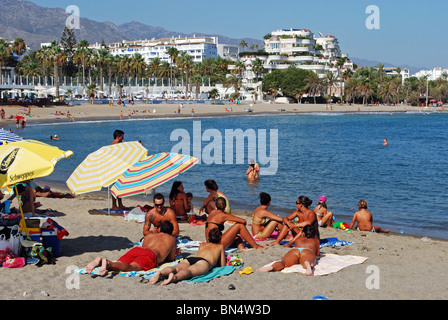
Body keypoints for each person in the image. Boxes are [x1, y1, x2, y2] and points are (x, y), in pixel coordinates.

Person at [86, 221, 178, 276]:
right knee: (131, 267)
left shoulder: (149, 236)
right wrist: (176, 253)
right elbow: (171, 259)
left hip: (137, 249)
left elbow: (144, 246)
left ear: (159, 229)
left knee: (120, 263)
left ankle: (100, 261)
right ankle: (107, 263)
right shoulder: (172, 239)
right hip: (151, 254)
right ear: (171, 232)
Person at [150, 228, 226, 285]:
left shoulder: (202, 244)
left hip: (192, 259)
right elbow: (223, 265)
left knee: (175, 268)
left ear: (209, 237)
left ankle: (160, 273)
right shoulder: (220, 246)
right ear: (220, 238)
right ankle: (174, 278)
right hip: (204, 262)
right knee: (189, 271)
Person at [111, 130, 126, 210]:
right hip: (115, 168)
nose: (123, 138)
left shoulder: (118, 144)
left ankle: (120, 204)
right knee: (115, 187)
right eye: (122, 137)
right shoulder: (114, 145)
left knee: (120, 186)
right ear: (118, 137)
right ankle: (114, 205)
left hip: (118, 167)